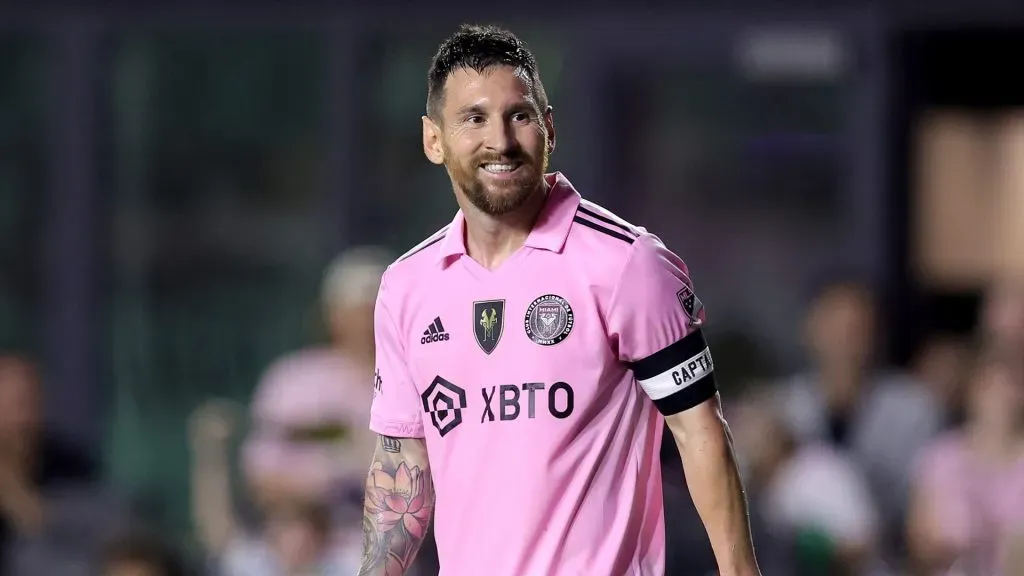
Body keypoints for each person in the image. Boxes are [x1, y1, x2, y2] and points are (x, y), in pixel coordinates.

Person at [358, 24, 760, 576]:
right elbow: (402, 462)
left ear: (549, 128)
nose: (500, 141)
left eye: (518, 115)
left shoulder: (628, 264)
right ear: (434, 140)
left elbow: (700, 432)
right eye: (473, 118)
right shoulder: (406, 286)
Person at [906, 348, 1024, 576]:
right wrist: (961, 546)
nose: (1002, 398)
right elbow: (919, 545)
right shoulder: (941, 456)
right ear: (974, 390)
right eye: (992, 387)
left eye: (1012, 388)